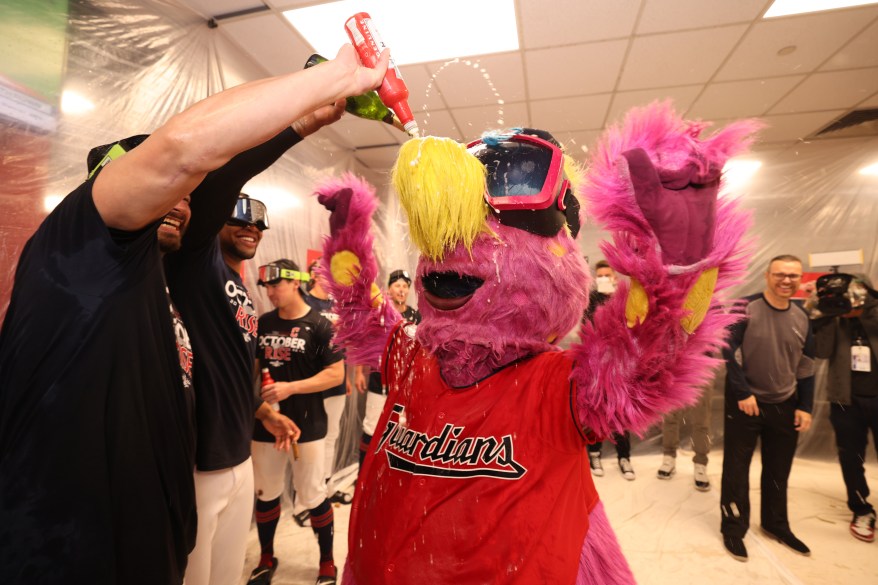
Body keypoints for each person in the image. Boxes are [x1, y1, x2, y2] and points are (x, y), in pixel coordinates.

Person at [0, 42, 387, 583]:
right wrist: (330, 83)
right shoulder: (77, 244)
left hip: (157, 526)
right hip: (65, 548)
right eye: (168, 188)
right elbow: (184, 153)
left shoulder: (153, 286)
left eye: (187, 196)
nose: (181, 201)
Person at [158, 46, 391, 585]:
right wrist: (300, 122)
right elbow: (222, 176)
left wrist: (264, 411)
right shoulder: (195, 262)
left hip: (241, 443)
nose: (251, 229)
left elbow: (232, 362)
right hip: (200, 458)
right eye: (236, 218)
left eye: (258, 224)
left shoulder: (238, 286)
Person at [249, 259, 345, 585]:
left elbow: (336, 373)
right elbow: (253, 369)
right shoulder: (262, 323)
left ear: (295, 283)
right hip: (266, 422)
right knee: (266, 492)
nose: (271, 292)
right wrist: (260, 404)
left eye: (277, 285)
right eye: (267, 287)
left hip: (309, 422)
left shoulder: (320, 325)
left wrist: (291, 387)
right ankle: (265, 557)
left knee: (313, 493)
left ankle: (327, 563)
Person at [720, 254, 815, 562]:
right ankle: (733, 527)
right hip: (745, 403)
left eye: (793, 276)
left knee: (778, 470)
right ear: (767, 275)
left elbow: (806, 365)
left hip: (784, 404)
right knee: (736, 469)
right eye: (780, 274)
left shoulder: (802, 316)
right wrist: (743, 392)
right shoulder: (744, 307)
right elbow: (727, 349)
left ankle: (776, 524)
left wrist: (806, 406)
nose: (786, 280)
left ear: (800, 279)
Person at [810, 272, 878, 543]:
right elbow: (822, 352)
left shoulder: (873, 313)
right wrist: (823, 315)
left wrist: (864, 309)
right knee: (851, 458)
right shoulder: (833, 316)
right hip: (845, 400)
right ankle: (861, 509)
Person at [354, 269, 421, 468]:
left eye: (405, 286)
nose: (402, 290)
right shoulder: (379, 314)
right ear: (389, 290)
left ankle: (390, 474)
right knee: (371, 426)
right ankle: (364, 476)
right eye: (397, 285)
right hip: (378, 379)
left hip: (406, 383)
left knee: (401, 430)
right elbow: (365, 343)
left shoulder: (416, 316)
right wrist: (359, 372)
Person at [303, 258, 353, 506]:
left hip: (336, 375)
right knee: (310, 436)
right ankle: (308, 496)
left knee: (331, 435)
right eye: (319, 269)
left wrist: (350, 374)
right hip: (310, 377)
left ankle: (327, 486)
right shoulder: (303, 300)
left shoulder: (339, 303)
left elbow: (347, 340)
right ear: (311, 274)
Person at [584, 260, 635, 480]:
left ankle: (624, 457)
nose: (604, 278)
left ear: (615, 277)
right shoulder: (591, 300)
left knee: (621, 411)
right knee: (596, 409)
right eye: (600, 276)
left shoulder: (624, 299)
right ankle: (594, 453)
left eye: (608, 275)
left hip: (621, 364)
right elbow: (587, 330)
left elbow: (632, 327)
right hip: (596, 364)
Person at [657, 375, 714, 491]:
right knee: (670, 417)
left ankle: (701, 463)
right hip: (675, 368)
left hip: (702, 368)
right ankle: (669, 456)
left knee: (701, 420)